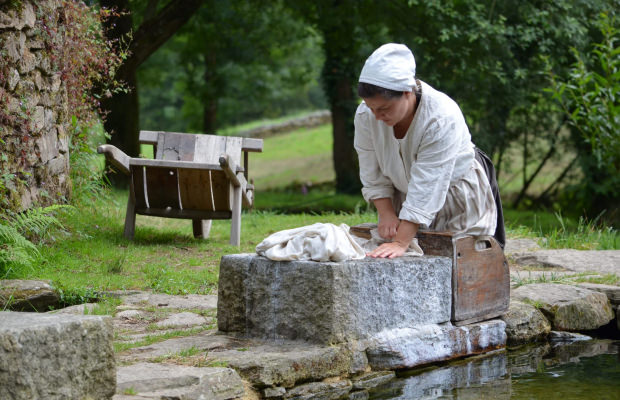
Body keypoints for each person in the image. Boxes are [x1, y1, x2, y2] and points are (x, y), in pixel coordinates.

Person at [354, 43, 505, 259]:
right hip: (406, 198)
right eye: (371, 108)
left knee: (459, 266)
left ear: (407, 92)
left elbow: (428, 183)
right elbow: (370, 166)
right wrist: (386, 213)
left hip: (454, 198)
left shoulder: (440, 118)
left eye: (384, 109)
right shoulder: (365, 115)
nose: (377, 116)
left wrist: (401, 242)